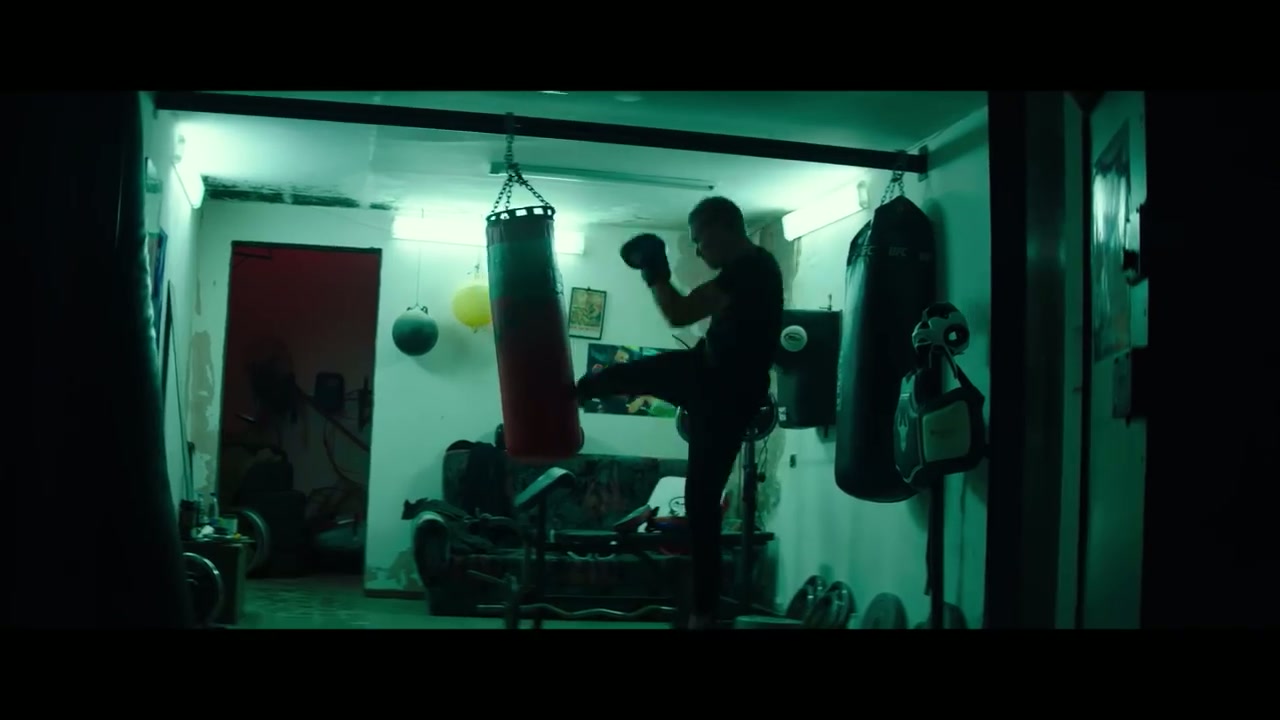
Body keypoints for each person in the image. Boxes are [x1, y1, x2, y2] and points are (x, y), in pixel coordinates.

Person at [575, 196, 784, 629]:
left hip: (726, 393)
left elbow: (679, 312)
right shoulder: (751, 269)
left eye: (699, 240)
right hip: (708, 372)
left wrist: (655, 269)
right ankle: (569, 395)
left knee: (701, 504)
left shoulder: (752, 270)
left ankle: (704, 615)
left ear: (722, 229)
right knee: (623, 375)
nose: (699, 252)